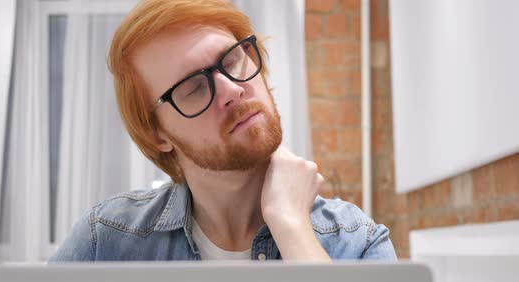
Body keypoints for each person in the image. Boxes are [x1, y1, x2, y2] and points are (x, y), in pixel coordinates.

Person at [50, 0, 397, 262]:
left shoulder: (355, 242)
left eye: (232, 61)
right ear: (159, 135)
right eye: (194, 87)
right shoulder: (106, 243)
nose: (232, 90)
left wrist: (291, 226)